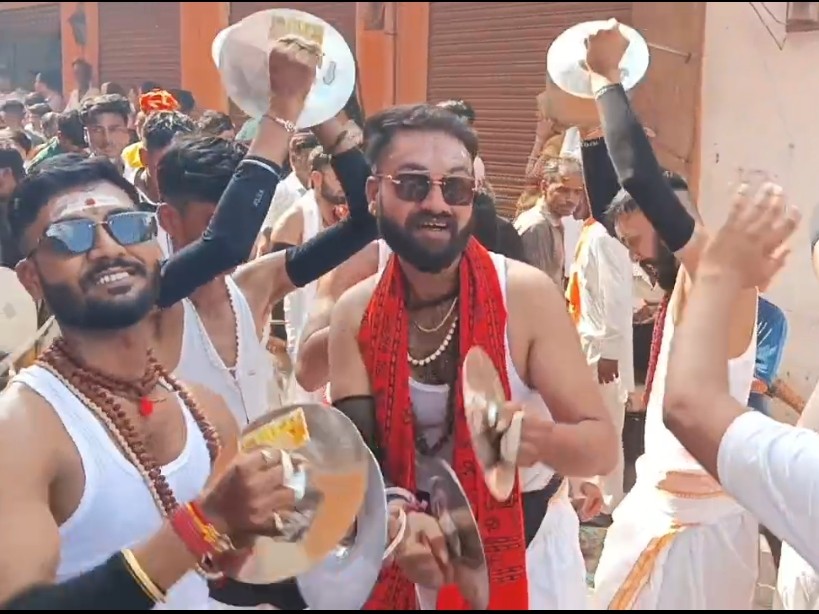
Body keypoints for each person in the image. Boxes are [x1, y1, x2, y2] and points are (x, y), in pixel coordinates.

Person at [0, 36, 330, 610]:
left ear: (157, 243)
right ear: (31, 279)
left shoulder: (205, 410)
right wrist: (203, 524)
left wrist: (358, 525)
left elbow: (226, 569)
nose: (107, 247)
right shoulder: (22, 428)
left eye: (127, 226)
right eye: (71, 236)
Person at [328, 103, 616, 609]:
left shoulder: (524, 296)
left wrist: (540, 439)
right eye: (413, 184)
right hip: (407, 557)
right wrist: (395, 521)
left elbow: (601, 446)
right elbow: (361, 461)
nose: (437, 203)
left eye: (456, 188)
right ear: (374, 193)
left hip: (526, 555)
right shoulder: (355, 313)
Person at [578, 23, 761, 610]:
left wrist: (606, 79)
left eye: (637, 242)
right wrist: (587, 129)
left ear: (668, 218)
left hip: (696, 534)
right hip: (667, 510)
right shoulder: (688, 281)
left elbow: (638, 177)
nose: (633, 257)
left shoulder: (719, 274)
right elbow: (618, 201)